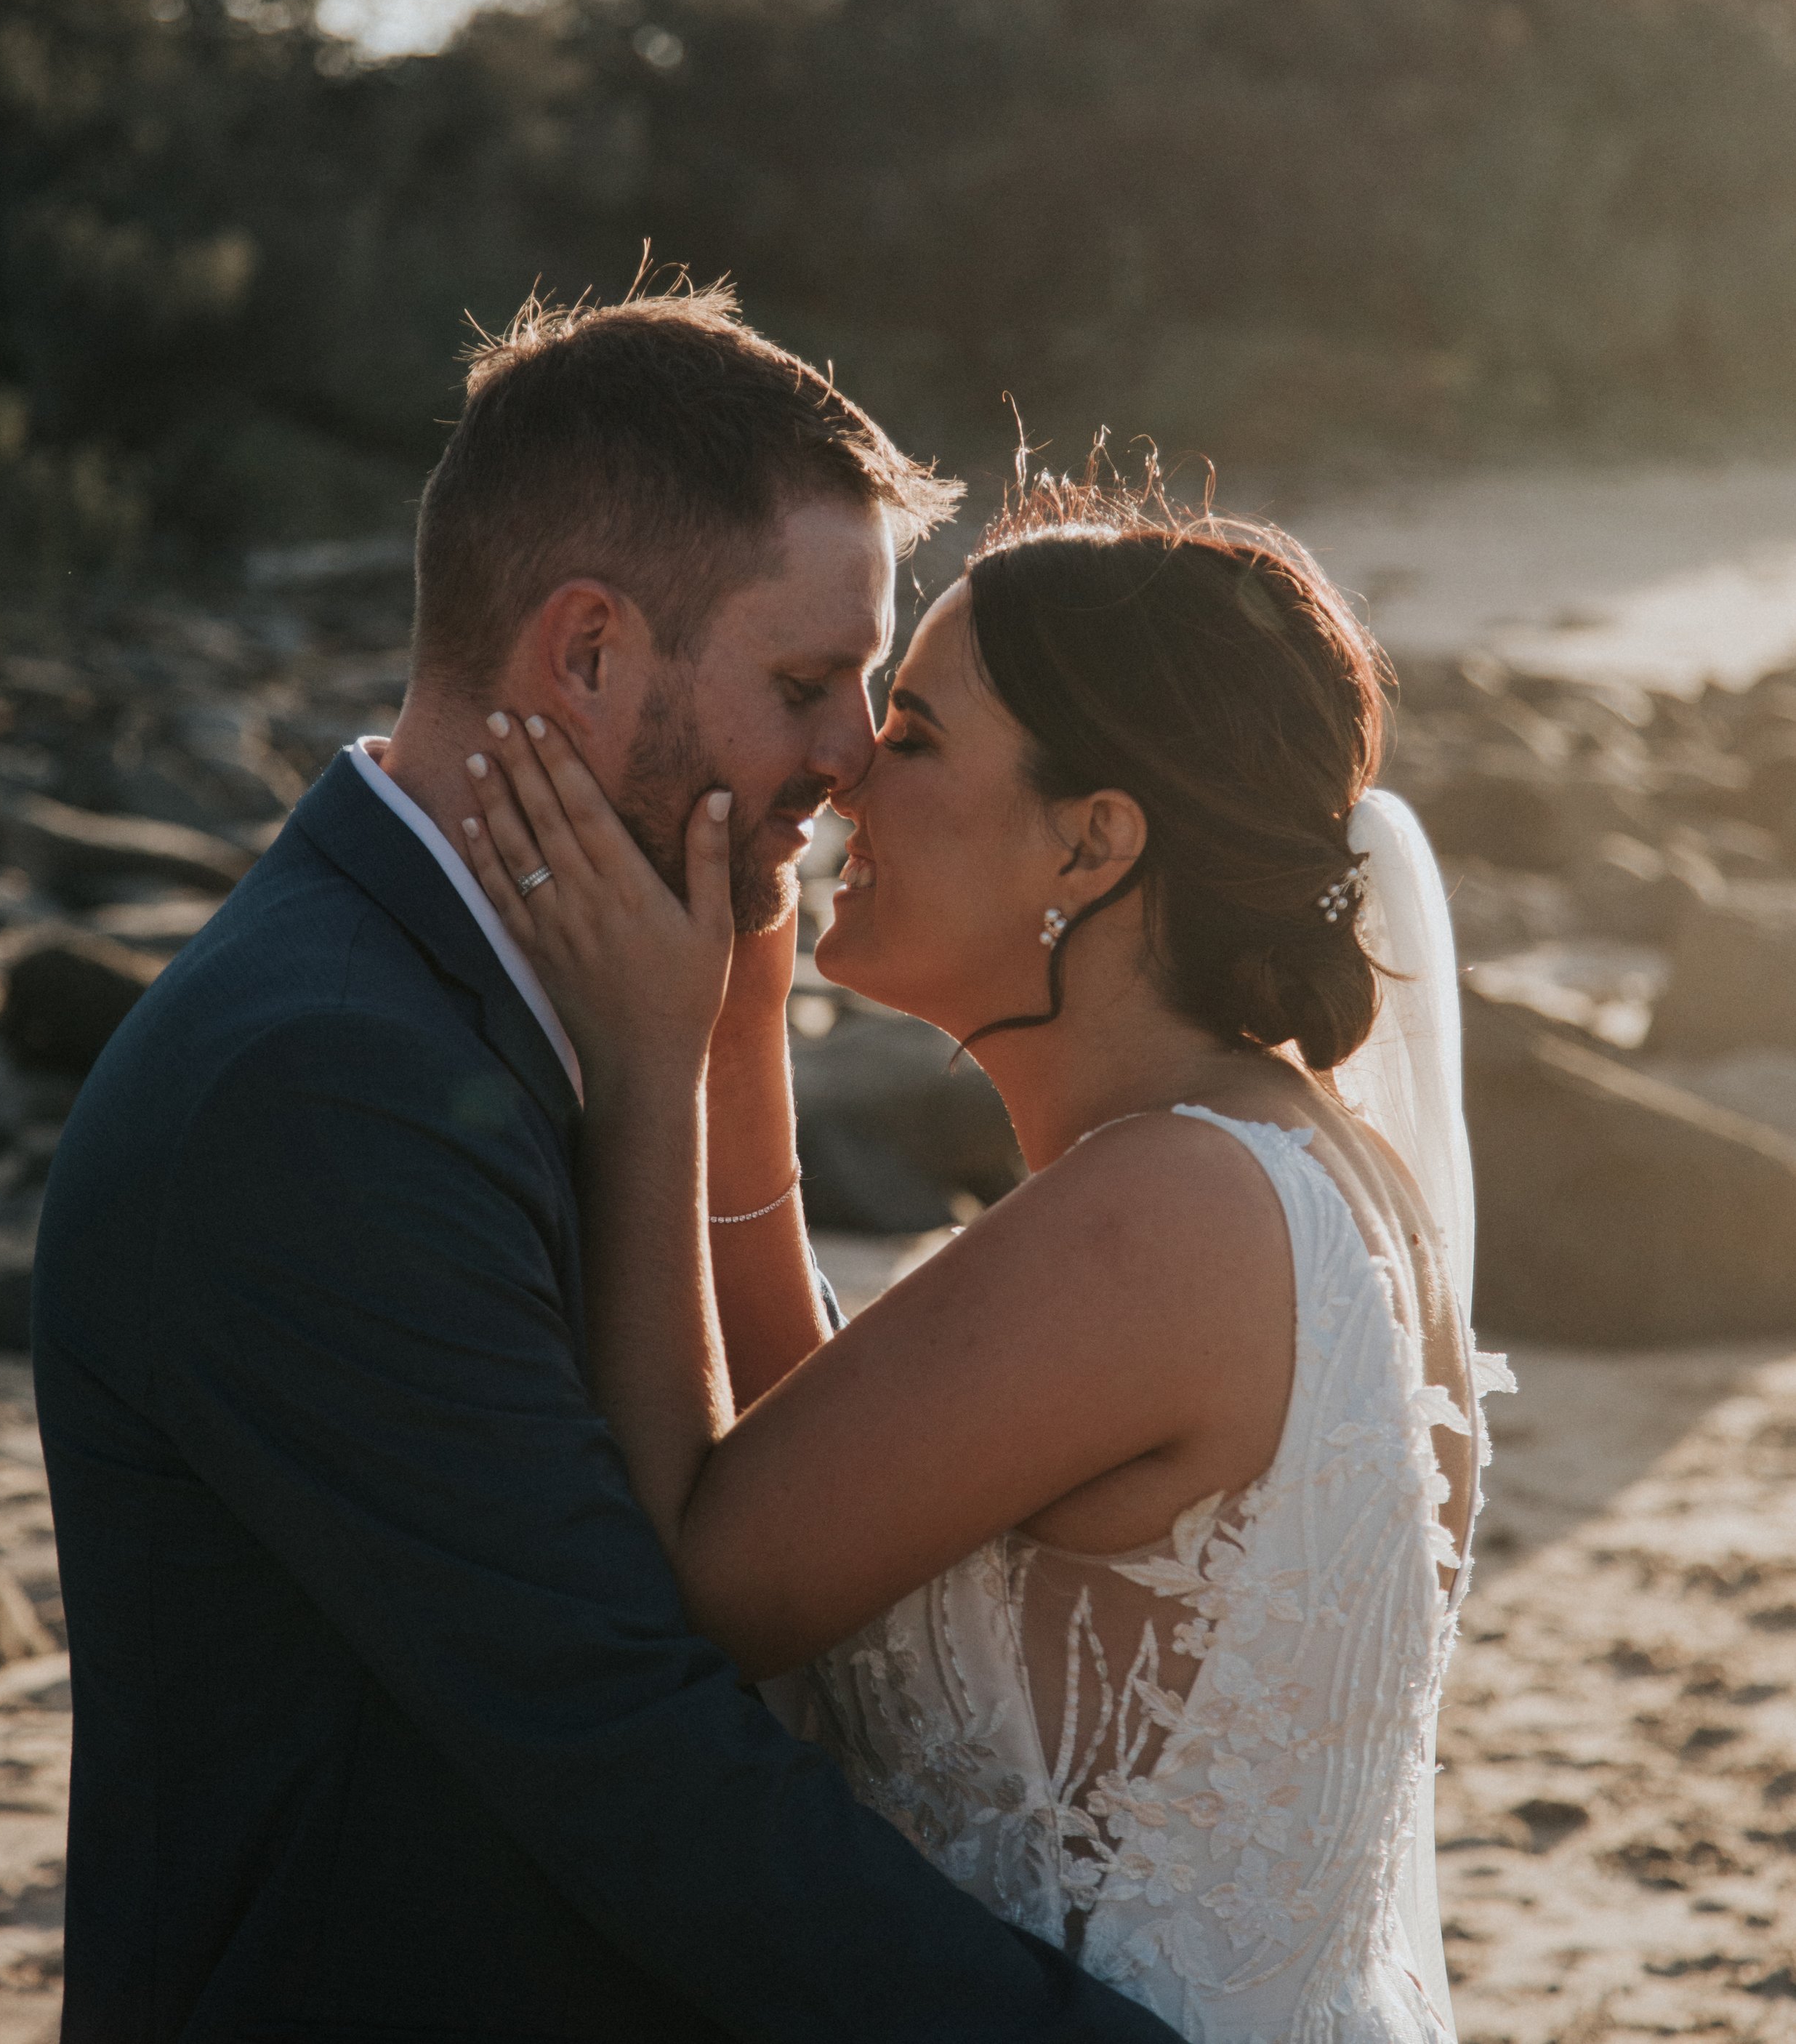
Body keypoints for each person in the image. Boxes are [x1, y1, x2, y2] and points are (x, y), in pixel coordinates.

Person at [32, 289, 1178, 2043]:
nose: (854, 755)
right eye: (804, 683)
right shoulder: (319, 1086)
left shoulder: (508, 990)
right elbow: (631, 1745)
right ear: (583, 657)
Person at [459, 461, 1513, 2043]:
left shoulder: (1164, 1212)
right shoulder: (1287, 1161)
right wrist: (742, 1031)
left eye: (913, 738)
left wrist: (645, 1067)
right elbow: (828, 1480)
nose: (840, 781)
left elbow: (704, 1576)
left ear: (1090, 845)